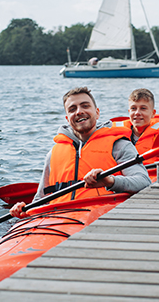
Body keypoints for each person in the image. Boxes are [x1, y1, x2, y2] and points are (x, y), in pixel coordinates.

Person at [10, 87, 150, 219]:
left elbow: (144, 182)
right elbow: (41, 199)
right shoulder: (53, 153)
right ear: (67, 119)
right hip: (58, 218)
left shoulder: (119, 145)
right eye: (72, 109)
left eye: (85, 106)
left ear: (97, 112)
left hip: (102, 217)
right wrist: (26, 210)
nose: (79, 111)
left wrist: (110, 181)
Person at [116, 88, 159, 181]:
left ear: (153, 113)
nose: (137, 113)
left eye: (143, 108)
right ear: (129, 112)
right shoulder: (116, 133)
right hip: (120, 179)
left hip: (150, 178)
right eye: (133, 108)